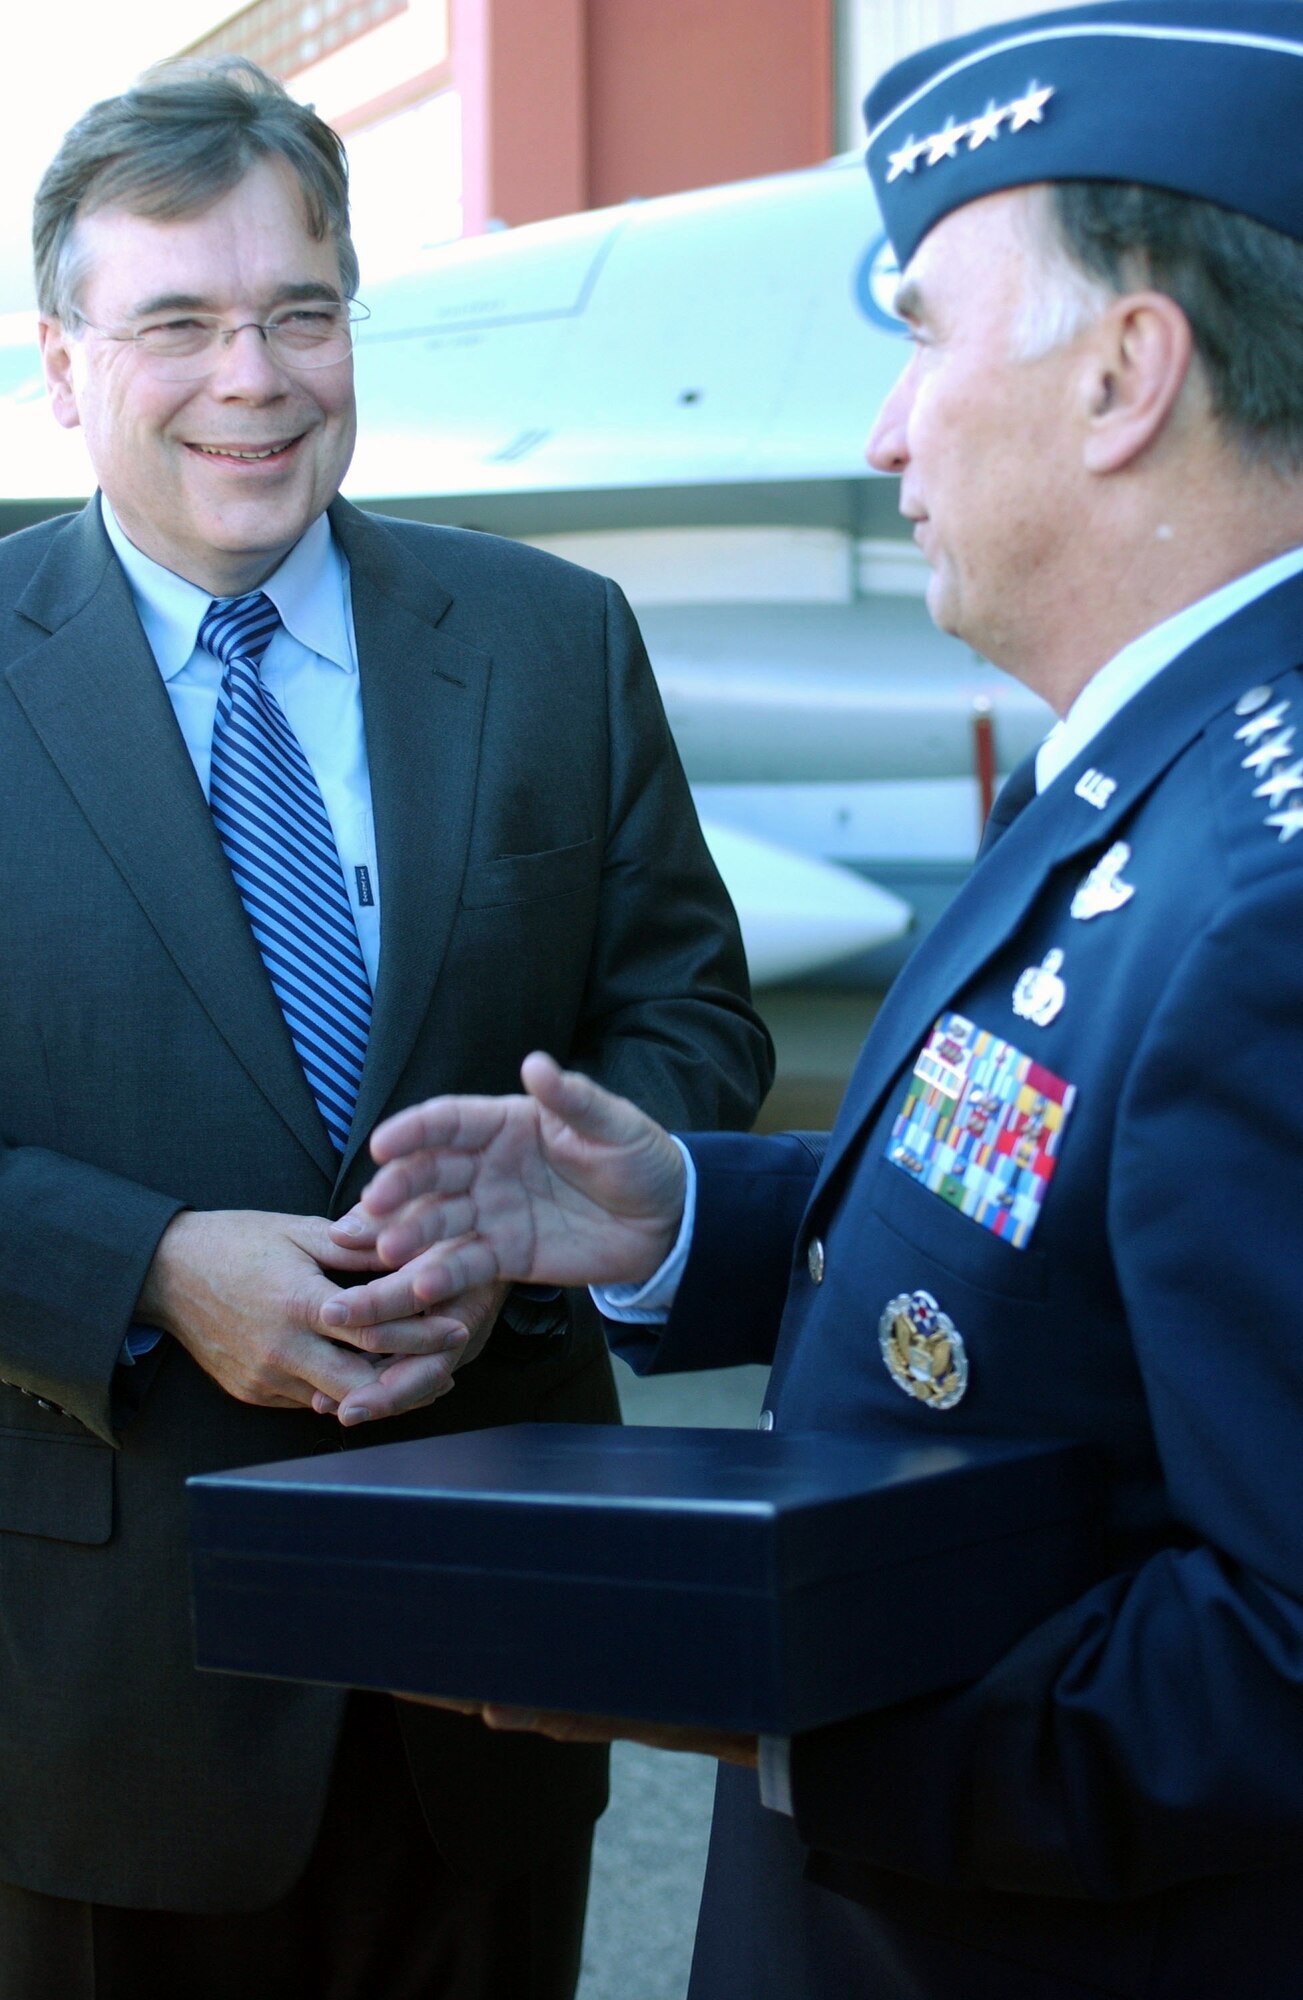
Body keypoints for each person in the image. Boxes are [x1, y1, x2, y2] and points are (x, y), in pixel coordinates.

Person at [326, 3, 1303, 1994]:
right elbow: (1050, 1225)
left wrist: (773, 1707)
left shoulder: (1262, 891)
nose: (883, 427)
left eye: (928, 332)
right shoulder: (1157, 768)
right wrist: (678, 1215)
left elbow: (1276, 1658)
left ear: (1125, 374)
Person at [0, 56, 772, 2000]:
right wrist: (149, 1268)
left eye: (301, 311)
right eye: (175, 321)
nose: (252, 377)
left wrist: (541, 1225)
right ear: (63, 364)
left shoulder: (550, 639)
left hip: (496, 1656)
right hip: (102, 1686)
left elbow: (684, 1018)